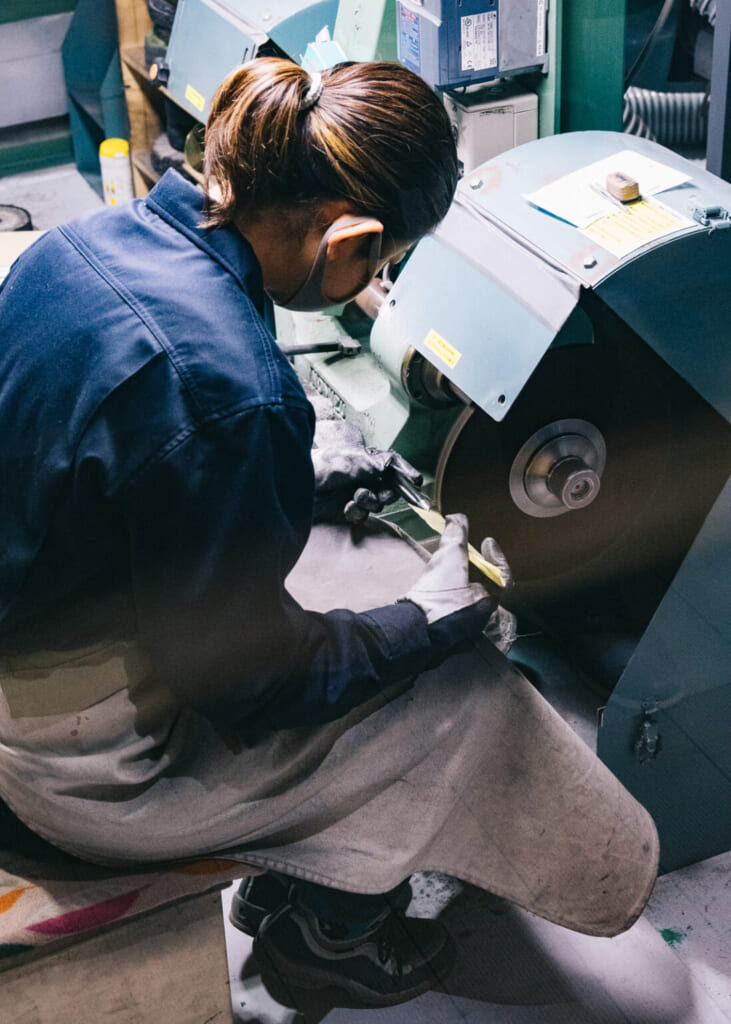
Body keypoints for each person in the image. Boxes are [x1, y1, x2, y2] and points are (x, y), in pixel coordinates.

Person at [0, 58, 658, 1009]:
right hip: (94, 783)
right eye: (381, 264)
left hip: (23, 695)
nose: (375, 280)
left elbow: (97, 469)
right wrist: (423, 620)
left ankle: (302, 870)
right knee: (472, 694)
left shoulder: (78, 245)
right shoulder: (233, 392)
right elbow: (255, 687)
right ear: (345, 234)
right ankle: (335, 937)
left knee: (363, 608)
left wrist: (286, 480)